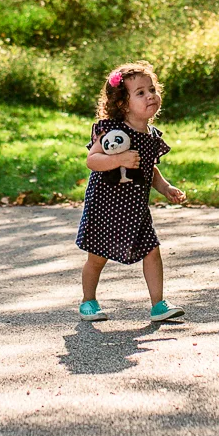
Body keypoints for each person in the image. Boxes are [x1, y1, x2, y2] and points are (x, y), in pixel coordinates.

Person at [76, 61, 187, 323]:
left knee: (152, 251)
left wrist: (165, 187)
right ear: (123, 104)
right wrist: (118, 159)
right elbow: (93, 161)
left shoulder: (150, 135)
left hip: (136, 209)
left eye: (152, 89)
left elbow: (149, 170)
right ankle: (88, 302)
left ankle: (158, 304)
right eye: (140, 92)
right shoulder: (113, 131)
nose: (150, 96)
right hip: (106, 206)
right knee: (97, 257)